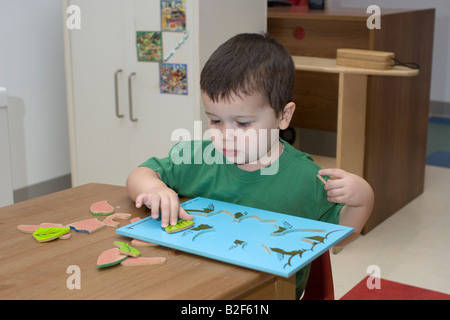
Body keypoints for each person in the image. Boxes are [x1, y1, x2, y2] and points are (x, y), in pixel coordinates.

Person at [126, 33, 374, 299]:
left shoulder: (306, 178)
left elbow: (341, 236)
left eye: (242, 123)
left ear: (283, 116)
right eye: (215, 121)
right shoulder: (197, 157)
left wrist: (363, 200)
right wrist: (153, 188)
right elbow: (140, 174)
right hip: (196, 284)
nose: (226, 134)